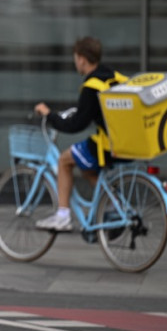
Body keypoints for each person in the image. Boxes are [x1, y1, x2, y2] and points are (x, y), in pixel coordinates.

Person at [33, 36, 126, 232]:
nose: (75, 62)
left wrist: (50, 116)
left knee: (64, 161)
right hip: (126, 141)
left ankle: (63, 216)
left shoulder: (91, 86)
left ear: (82, 59)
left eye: (76, 58)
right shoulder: (112, 76)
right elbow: (91, 111)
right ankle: (113, 204)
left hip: (108, 144)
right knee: (86, 168)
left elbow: (77, 124)